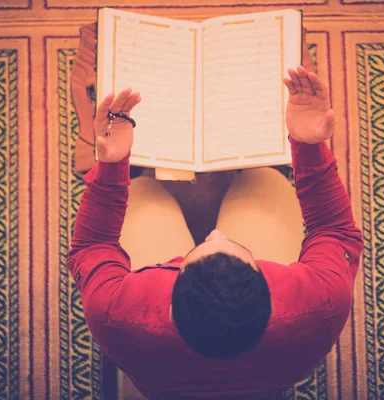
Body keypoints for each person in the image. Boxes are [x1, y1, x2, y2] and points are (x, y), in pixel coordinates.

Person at [67, 60, 364, 399]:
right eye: (239, 251)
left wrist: (112, 164)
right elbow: (336, 232)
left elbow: (91, 247)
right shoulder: (317, 306)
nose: (215, 234)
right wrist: (309, 143)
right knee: (263, 179)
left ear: (167, 306)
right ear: (272, 295)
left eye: (200, 248)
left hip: (160, 374)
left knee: (145, 193)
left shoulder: (120, 315)